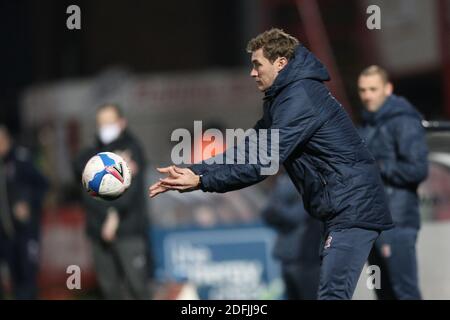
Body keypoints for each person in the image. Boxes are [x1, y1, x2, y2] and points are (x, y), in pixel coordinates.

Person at [149, 28, 394, 300]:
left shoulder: (299, 97)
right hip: (344, 207)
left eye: (257, 65)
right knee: (385, 291)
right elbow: (248, 148)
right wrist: (195, 170)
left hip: (353, 207)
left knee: (333, 293)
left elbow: (263, 163)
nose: (252, 72)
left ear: (280, 63)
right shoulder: (283, 98)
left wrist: (203, 182)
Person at [358, 65, 428, 300]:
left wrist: (377, 167)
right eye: (362, 90)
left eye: (373, 89)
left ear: (388, 89)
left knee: (404, 291)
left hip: (397, 221)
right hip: (374, 221)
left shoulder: (403, 120)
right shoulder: (369, 123)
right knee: (385, 293)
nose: (367, 95)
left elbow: (417, 169)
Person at [74, 104, 152, 299]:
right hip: (98, 229)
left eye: (109, 122)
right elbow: (84, 183)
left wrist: (114, 215)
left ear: (121, 123)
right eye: (101, 123)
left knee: (137, 286)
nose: (104, 127)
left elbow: (131, 192)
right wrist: (105, 216)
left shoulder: (133, 148)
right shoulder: (93, 153)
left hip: (128, 229)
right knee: (109, 289)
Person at [0, 125, 48, 299]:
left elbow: (43, 184)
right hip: (6, 235)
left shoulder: (21, 159)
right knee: (14, 279)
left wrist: (28, 203)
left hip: (26, 231)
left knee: (27, 277)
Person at [261, 172, 322, 300]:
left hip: (308, 259)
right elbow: (266, 214)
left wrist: (276, 210)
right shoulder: (283, 181)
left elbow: (297, 216)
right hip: (288, 258)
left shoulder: (309, 180)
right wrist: (277, 210)